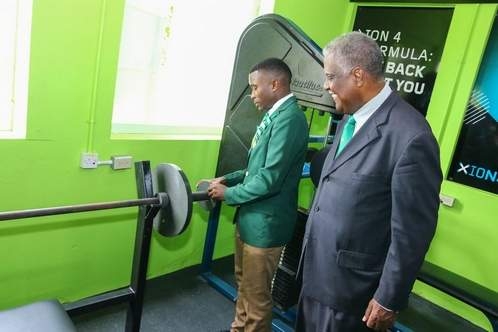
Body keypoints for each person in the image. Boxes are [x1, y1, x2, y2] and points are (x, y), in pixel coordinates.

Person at [296, 32, 442, 332]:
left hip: (351, 294)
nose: (326, 85)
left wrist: (389, 298)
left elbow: (412, 233)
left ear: (358, 76)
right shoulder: (351, 118)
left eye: (330, 76)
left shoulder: (412, 137)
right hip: (316, 275)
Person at [208, 57, 309, 332]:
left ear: (274, 84)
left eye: (255, 87)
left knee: (257, 297)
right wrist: (227, 179)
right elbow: (256, 168)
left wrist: (228, 194)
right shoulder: (274, 116)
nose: (252, 94)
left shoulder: (290, 120)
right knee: (244, 286)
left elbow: (269, 179)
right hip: (250, 220)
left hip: (266, 226)